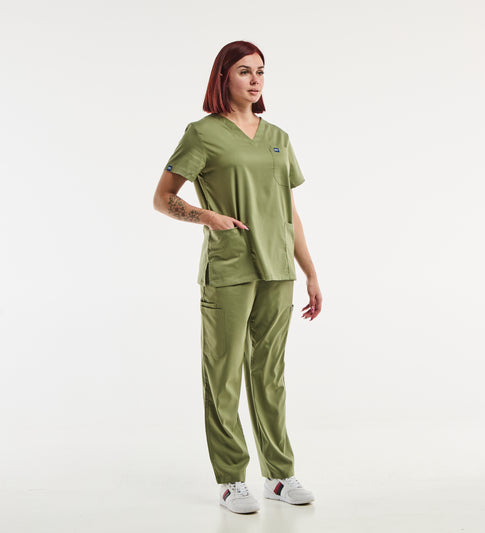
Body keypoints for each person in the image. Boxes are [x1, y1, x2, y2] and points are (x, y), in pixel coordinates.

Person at [153, 40, 322, 514]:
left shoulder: (278, 137)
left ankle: (279, 474)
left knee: (270, 375)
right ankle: (231, 480)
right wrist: (206, 217)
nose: (255, 79)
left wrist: (310, 272)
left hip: (277, 269)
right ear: (223, 77)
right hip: (229, 268)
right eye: (244, 71)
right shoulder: (202, 134)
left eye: (261, 71)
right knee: (223, 374)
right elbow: (163, 197)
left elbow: (289, 211)